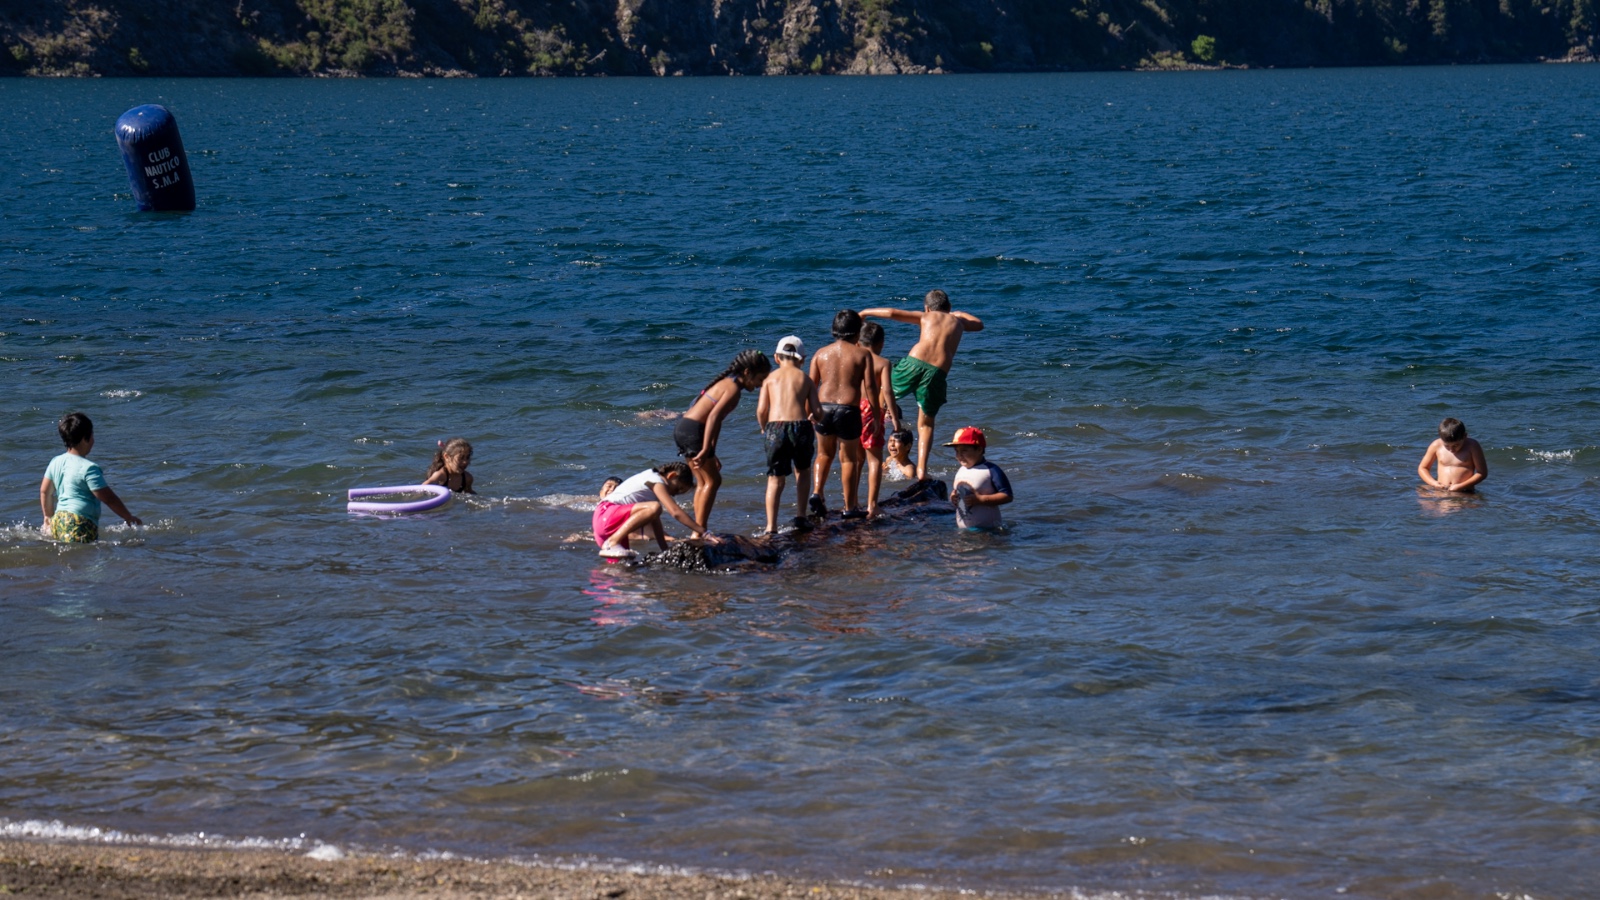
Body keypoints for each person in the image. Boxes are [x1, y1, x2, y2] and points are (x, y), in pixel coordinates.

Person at [862, 290, 984, 482]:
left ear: (927, 308)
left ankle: (876, 425)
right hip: (937, 372)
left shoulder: (926, 316)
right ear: (949, 308)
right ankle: (921, 470)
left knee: (884, 389)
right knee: (926, 424)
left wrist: (865, 312)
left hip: (913, 363)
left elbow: (892, 313)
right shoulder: (958, 321)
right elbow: (978, 324)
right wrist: (958, 314)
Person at [676, 349, 771, 532]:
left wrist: (712, 449)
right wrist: (706, 449)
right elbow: (713, 417)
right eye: (760, 379)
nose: (760, 385)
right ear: (747, 372)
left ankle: (697, 531)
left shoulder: (726, 383)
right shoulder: (733, 389)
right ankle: (700, 531)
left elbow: (716, 421)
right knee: (713, 481)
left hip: (684, 428)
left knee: (703, 482)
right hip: (694, 431)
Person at [808, 310, 878, 519]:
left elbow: (811, 386)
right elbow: (871, 387)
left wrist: (808, 411)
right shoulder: (863, 354)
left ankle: (817, 493)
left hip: (823, 408)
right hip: (848, 409)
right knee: (848, 459)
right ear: (857, 333)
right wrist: (875, 414)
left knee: (823, 454)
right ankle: (850, 507)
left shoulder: (820, 353)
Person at [38, 411, 142, 543]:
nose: (93, 439)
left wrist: (48, 517)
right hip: (79, 522)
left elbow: (45, 491)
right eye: (92, 435)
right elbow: (108, 498)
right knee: (91, 555)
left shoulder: (55, 462)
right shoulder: (89, 468)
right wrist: (128, 517)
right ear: (84, 439)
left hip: (58, 521)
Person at [756, 335, 822, 535]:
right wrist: (815, 417)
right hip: (801, 426)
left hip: (775, 428)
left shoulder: (769, 379)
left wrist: (764, 427)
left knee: (775, 478)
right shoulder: (806, 379)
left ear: (776, 357)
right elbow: (818, 411)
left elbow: (761, 410)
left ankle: (771, 526)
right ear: (803, 359)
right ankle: (801, 516)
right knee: (802, 471)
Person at [593, 461, 703, 559]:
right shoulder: (655, 480)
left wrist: (665, 551)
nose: (674, 494)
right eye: (677, 489)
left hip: (607, 527)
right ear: (671, 475)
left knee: (621, 569)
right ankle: (613, 542)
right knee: (655, 507)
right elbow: (675, 512)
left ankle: (612, 545)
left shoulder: (650, 493)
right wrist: (703, 532)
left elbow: (656, 524)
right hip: (606, 515)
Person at [857, 321, 901, 517]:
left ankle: (851, 502)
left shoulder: (853, 359)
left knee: (855, 459)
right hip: (871, 409)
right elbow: (888, 391)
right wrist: (895, 419)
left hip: (851, 408)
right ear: (881, 343)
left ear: (858, 342)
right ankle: (872, 505)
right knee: (874, 459)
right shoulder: (883, 363)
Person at [946, 427, 1012, 532]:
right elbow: (958, 494)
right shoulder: (961, 470)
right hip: (964, 529)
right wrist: (953, 498)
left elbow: (1007, 496)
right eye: (956, 451)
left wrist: (980, 499)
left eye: (964, 450)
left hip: (988, 530)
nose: (959, 455)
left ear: (979, 450)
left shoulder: (991, 470)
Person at [1417, 417, 1488, 493]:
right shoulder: (1436, 445)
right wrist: (1433, 483)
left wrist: (1460, 486)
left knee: (1473, 500)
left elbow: (1482, 473)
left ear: (1465, 436)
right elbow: (1423, 468)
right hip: (1441, 489)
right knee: (1420, 491)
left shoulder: (1472, 446)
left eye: (1456, 445)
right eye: (1447, 446)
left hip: (1464, 491)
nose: (1451, 449)